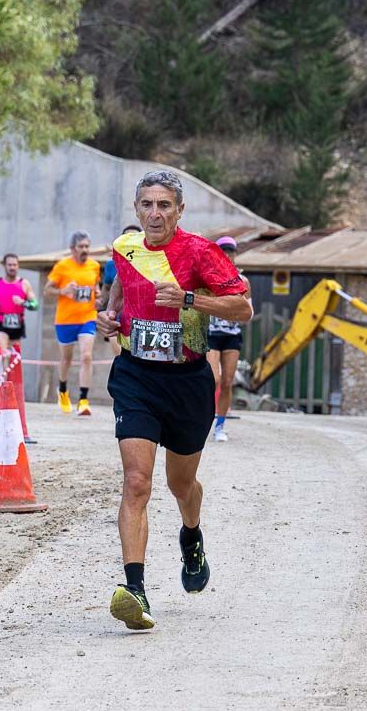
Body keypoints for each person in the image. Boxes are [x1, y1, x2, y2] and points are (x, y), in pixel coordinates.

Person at [97, 170, 252, 631]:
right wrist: (107, 320)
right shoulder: (124, 251)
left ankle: (191, 535)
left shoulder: (200, 252)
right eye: (147, 204)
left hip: (187, 382)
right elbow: (117, 303)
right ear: (137, 209)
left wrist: (189, 299)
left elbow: (243, 307)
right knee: (137, 481)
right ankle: (135, 589)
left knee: (181, 485)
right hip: (135, 376)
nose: (155, 213)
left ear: (179, 211)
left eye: (164, 205)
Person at [45, 231, 100, 417]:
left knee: (86, 356)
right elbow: (47, 290)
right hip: (65, 320)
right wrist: (63, 291)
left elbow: (95, 287)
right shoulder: (62, 266)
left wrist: (98, 295)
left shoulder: (94, 266)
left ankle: (83, 400)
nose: (85, 250)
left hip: (87, 317)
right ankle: (63, 390)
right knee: (66, 359)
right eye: (81, 247)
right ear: (72, 249)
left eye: (87, 246)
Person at [206, 237, 252, 443]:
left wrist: (234, 312)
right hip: (212, 333)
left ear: (235, 254)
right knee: (213, 379)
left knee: (227, 382)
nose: (227, 254)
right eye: (223, 250)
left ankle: (220, 425)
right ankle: (202, 419)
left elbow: (249, 312)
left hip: (232, 335)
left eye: (230, 251)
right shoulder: (208, 277)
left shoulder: (243, 281)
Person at [99, 225, 141, 358]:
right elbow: (106, 287)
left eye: (134, 237)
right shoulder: (111, 264)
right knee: (120, 355)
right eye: (127, 237)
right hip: (118, 316)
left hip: (141, 318)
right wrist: (102, 307)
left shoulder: (150, 263)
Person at [0, 254, 38, 355]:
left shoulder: (24, 284)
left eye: (14, 265)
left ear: (18, 266)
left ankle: (8, 370)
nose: (12, 267)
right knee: (2, 353)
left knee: (15, 357)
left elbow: (35, 305)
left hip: (17, 324)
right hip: (0, 322)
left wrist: (23, 302)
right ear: (4, 266)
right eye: (9, 265)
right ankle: (1, 370)